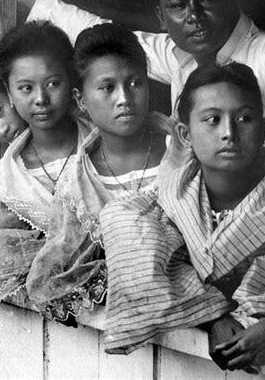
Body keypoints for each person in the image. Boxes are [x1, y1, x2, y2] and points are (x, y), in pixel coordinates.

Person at [3, 0, 265, 174]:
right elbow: (104, 35)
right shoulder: (178, 58)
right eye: (178, 5)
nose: (194, 17)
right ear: (162, 16)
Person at [100, 62, 265, 372]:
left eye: (244, 119)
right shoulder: (160, 204)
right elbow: (141, 270)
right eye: (212, 120)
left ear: (262, 131)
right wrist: (213, 317)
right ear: (185, 133)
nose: (229, 133)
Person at [25, 23, 169, 323]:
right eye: (107, 88)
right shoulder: (77, 184)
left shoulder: (180, 153)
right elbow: (56, 276)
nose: (124, 99)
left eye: (134, 83)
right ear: (80, 99)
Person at [0, 21, 91, 317]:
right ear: (10, 91)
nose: (40, 99)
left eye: (53, 83)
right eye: (26, 88)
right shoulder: (2, 182)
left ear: (71, 79)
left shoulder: (102, 143)